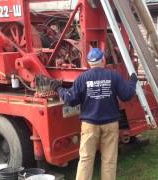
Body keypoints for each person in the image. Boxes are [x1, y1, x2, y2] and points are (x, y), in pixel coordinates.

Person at [51, 48, 138, 180]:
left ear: (89, 62)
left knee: (86, 159)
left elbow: (70, 99)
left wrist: (58, 88)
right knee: (109, 159)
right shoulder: (113, 75)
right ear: (103, 60)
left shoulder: (83, 78)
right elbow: (126, 95)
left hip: (89, 125)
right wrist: (132, 81)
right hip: (110, 124)